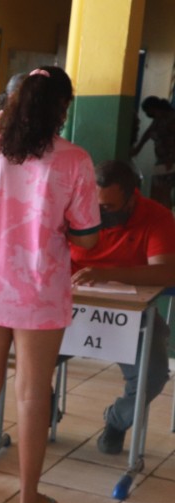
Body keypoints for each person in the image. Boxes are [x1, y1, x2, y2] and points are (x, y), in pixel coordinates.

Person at [0, 67, 100, 503]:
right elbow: (88, 238)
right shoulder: (74, 160)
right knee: (34, 392)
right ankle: (28, 497)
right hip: (40, 288)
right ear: (62, 108)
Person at [71, 160, 175, 453]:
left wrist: (105, 274)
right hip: (71, 309)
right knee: (25, 358)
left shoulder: (157, 217)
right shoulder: (74, 209)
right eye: (95, 204)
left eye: (110, 206)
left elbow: (166, 272)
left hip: (131, 313)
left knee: (153, 374)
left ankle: (116, 420)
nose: (99, 212)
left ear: (133, 198)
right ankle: (43, 409)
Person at [132, 96, 175, 209]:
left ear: (154, 108)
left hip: (170, 162)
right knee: (156, 191)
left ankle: (165, 217)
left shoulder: (171, 118)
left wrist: (171, 158)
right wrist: (137, 149)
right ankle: (158, 215)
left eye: (149, 111)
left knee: (164, 191)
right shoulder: (158, 120)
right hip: (162, 161)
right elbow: (147, 134)